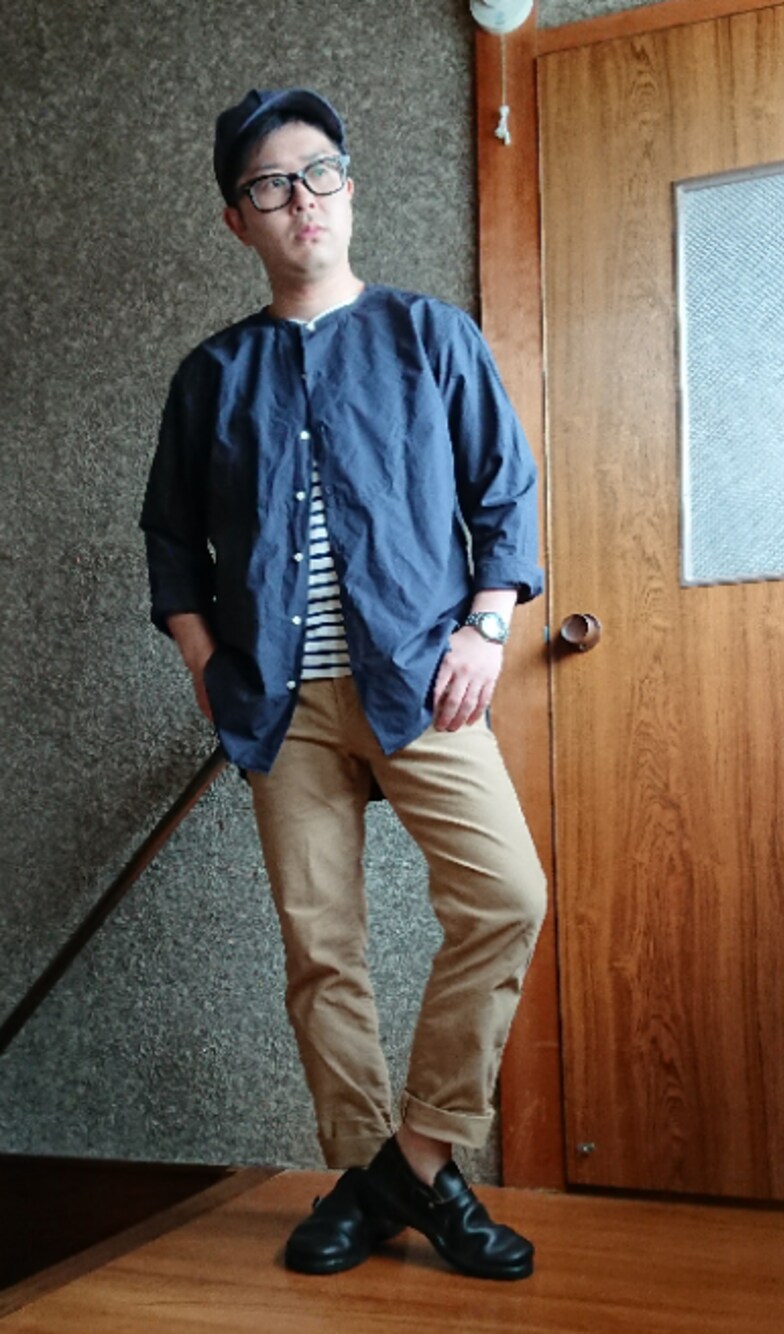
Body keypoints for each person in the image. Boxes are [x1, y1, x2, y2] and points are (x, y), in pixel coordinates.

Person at [140, 88, 547, 1282]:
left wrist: (485, 626)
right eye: (270, 184)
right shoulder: (212, 376)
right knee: (321, 946)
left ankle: (404, 1168)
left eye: (318, 172)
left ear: (350, 190)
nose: (300, 198)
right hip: (280, 702)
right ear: (239, 220)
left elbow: (504, 491)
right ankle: (389, 1174)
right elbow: (170, 539)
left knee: (506, 893)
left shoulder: (429, 335)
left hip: (421, 681)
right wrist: (203, 662)